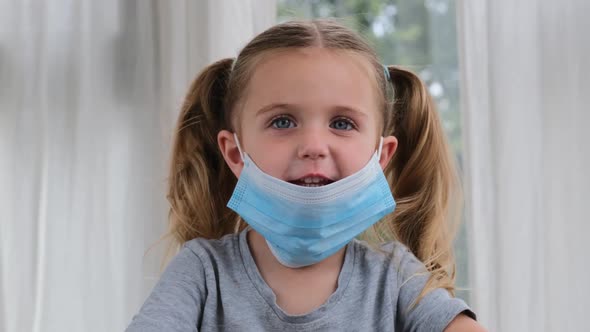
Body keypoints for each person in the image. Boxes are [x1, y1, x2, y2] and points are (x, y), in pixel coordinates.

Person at [126, 19, 485, 331]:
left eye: (342, 123)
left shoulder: (395, 277)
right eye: (282, 121)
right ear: (236, 153)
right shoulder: (203, 271)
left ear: (381, 156)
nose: (313, 146)